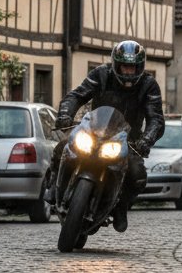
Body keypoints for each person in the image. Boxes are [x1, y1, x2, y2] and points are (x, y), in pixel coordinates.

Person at [53, 39, 164, 233]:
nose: (128, 72)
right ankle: (52, 185)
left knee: (137, 173)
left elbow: (156, 119)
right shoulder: (101, 75)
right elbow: (77, 95)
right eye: (124, 67)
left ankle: (121, 206)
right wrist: (65, 115)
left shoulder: (148, 85)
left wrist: (146, 140)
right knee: (62, 148)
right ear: (115, 64)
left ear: (140, 67)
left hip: (126, 140)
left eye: (133, 68)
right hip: (93, 131)